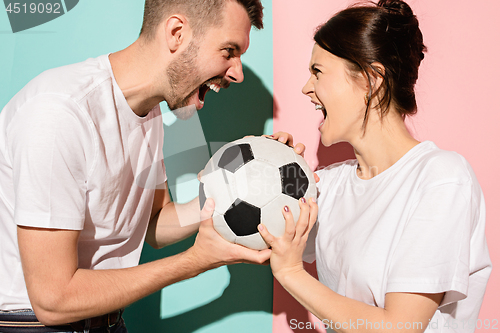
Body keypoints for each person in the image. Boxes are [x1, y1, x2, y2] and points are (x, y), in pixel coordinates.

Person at [0, 0, 271, 332]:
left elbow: (153, 224)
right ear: (176, 33)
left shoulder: (150, 110)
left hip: (108, 322)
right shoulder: (59, 114)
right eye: (229, 51)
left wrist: (230, 190)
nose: (237, 72)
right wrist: (194, 263)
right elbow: (53, 301)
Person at [260, 0, 492, 332]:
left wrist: (291, 274)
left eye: (318, 72)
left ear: (371, 79)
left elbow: (400, 326)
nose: (306, 87)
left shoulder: (441, 178)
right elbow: (257, 233)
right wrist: (265, 170)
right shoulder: (329, 186)